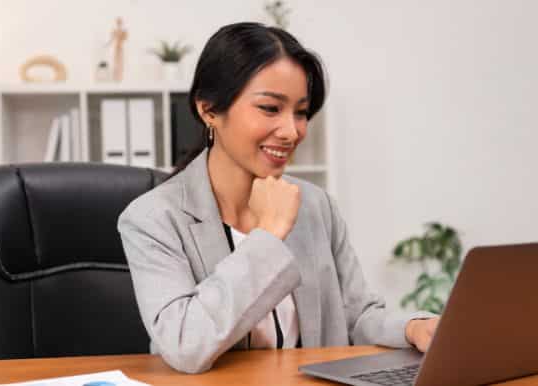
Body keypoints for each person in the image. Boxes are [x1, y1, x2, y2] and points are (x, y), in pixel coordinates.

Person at [118, 22, 439, 374]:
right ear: (208, 110)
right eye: (271, 108)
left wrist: (414, 328)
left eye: (301, 112)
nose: (291, 131)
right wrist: (269, 235)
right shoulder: (153, 218)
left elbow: (356, 314)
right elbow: (185, 345)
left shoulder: (316, 205)